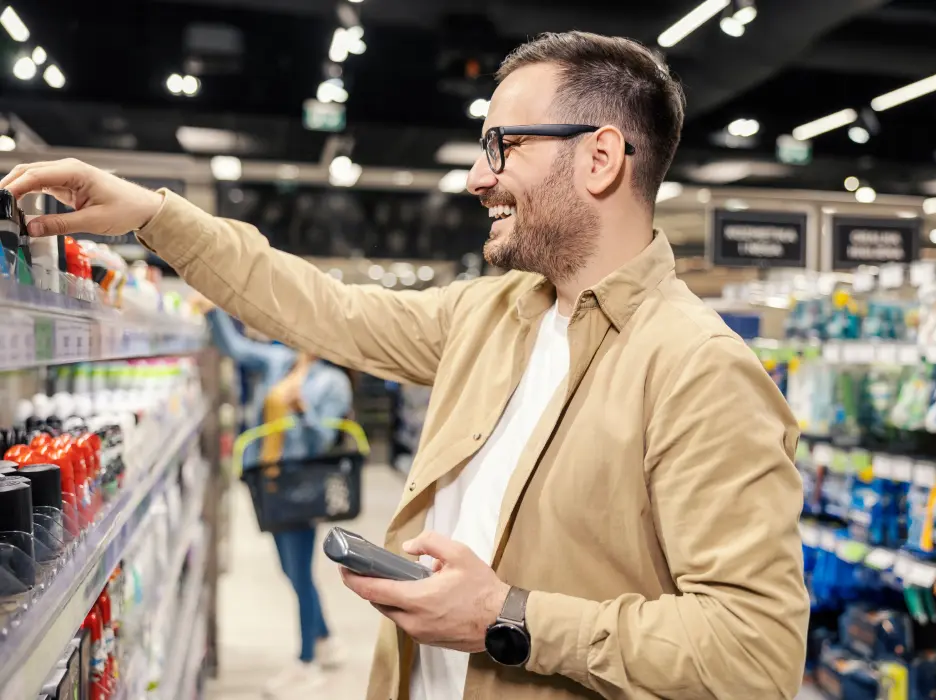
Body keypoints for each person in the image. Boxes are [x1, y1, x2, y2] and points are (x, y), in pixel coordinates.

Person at [2, 30, 809, 700]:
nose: (475, 177)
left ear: (600, 159)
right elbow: (320, 307)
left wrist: (508, 616)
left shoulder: (700, 370)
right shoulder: (492, 314)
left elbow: (754, 653)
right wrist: (154, 215)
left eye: (504, 144)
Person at [193, 296, 353, 699]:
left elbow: (324, 440)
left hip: (302, 484)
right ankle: (326, 639)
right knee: (290, 570)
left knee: (299, 573)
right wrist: (212, 311)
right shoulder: (280, 363)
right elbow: (237, 349)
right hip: (269, 480)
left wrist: (303, 411)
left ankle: (305, 663)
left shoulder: (333, 383)